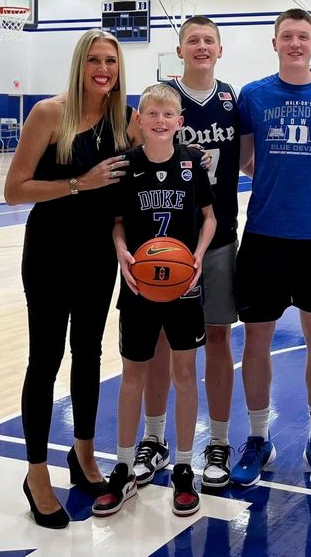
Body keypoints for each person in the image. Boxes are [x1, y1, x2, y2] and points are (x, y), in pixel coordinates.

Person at [4, 29, 138, 529]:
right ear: (80, 64)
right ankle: (36, 473)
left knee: (89, 355)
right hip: (49, 252)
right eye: (95, 61)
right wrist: (81, 183)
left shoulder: (125, 120)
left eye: (112, 61)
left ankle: (83, 455)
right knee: (45, 358)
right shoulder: (48, 114)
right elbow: (14, 190)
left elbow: (166, 144)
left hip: (97, 257)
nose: (104, 69)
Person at [228, 8, 311, 490]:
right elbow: (238, 162)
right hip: (264, 236)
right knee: (256, 342)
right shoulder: (254, 95)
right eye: (287, 36)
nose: (295, 43)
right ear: (274, 42)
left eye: (303, 37)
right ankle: (259, 437)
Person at [92, 83, 216, 517]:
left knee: (185, 374)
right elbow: (119, 223)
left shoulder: (192, 164)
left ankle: (184, 467)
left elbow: (209, 218)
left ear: (180, 123)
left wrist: (198, 256)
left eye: (169, 115)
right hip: (140, 286)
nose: (161, 121)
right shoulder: (127, 167)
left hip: (185, 286)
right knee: (133, 377)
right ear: (139, 121)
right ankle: (123, 468)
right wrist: (121, 250)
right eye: (153, 115)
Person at [132, 16, 242, 492]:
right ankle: (153, 439)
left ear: (220, 49)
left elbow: (249, 156)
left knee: (217, 338)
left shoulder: (232, 99)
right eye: (192, 40)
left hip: (215, 241)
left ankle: (217, 441)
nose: (201, 47)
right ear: (179, 50)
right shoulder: (160, 99)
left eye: (208, 40)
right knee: (159, 343)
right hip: (163, 247)